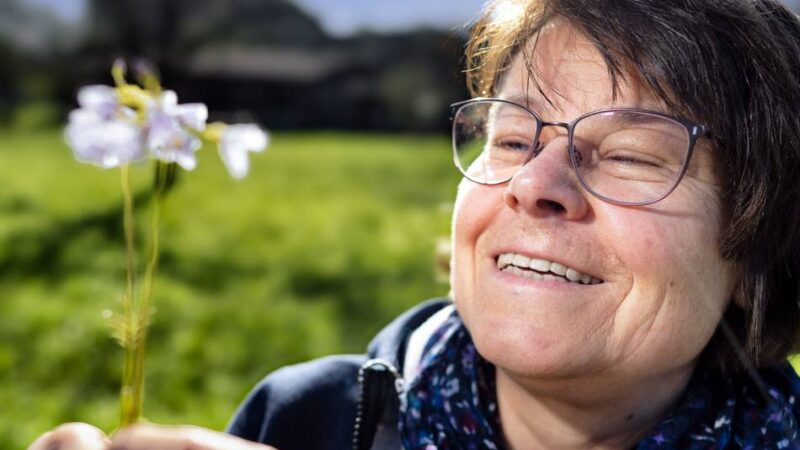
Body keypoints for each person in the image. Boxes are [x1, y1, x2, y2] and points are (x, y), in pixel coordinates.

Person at [28, 0, 800, 449]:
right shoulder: (309, 419)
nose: (535, 184)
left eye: (631, 153)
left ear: (760, 246)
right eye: (510, 137)